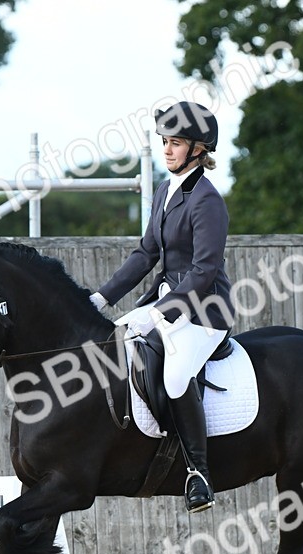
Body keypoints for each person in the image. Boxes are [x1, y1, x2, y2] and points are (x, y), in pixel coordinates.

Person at [88, 101, 233, 513]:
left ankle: (198, 473)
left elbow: (204, 270)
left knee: (174, 378)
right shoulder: (164, 191)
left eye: (176, 144)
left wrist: (167, 308)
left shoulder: (207, 201)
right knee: (112, 340)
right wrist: (102, 297)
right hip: (163, 302)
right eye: (165, 142)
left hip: (203, 312)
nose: (167, 151)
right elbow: (145, 254)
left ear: (199, 150)